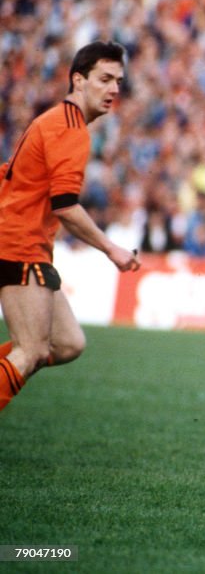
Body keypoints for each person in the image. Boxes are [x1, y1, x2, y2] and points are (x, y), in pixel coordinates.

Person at [0, 41, 141, 412]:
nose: (113, 89)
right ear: (78, 80)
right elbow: (65, 206)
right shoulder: (69, 129)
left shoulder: (56, 120)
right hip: (20, 244)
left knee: (66, 343)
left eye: (118, 82)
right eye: (105, 79)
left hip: (25, 242)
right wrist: (112, 249)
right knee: (30, 350)